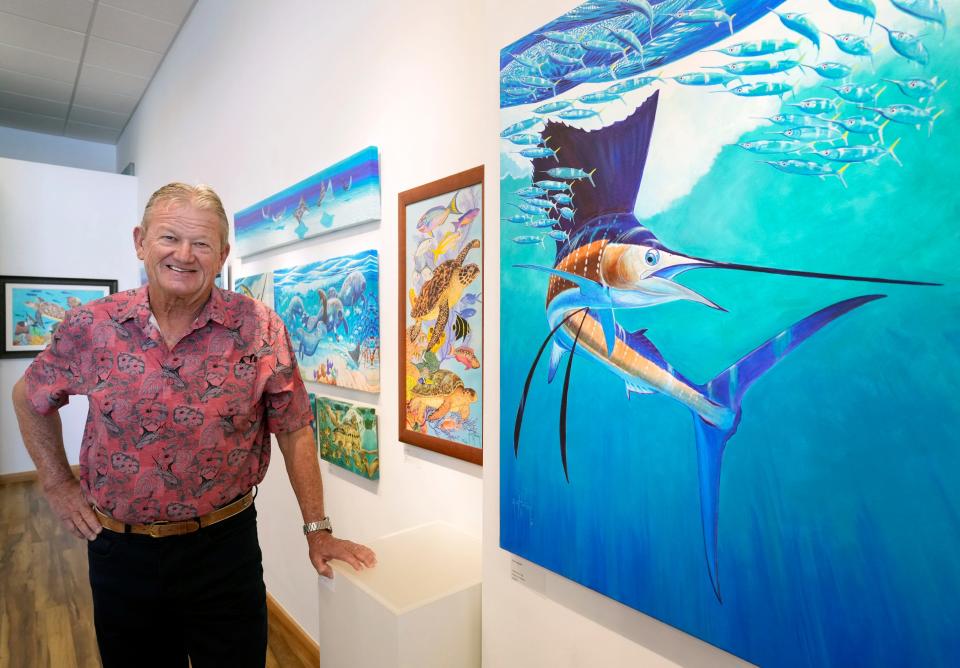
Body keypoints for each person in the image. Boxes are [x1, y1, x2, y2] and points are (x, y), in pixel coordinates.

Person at [11, 183, 376, 667]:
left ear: (222, 254)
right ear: (140, 241)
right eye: (169, 238)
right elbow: (29, 397)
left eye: (202, 243)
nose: (184, 255)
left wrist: (318, 528)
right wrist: (57, 483)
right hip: (121, 551)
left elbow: (294, 428)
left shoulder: (259, 328)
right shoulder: (91, 326)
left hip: (224, 550)